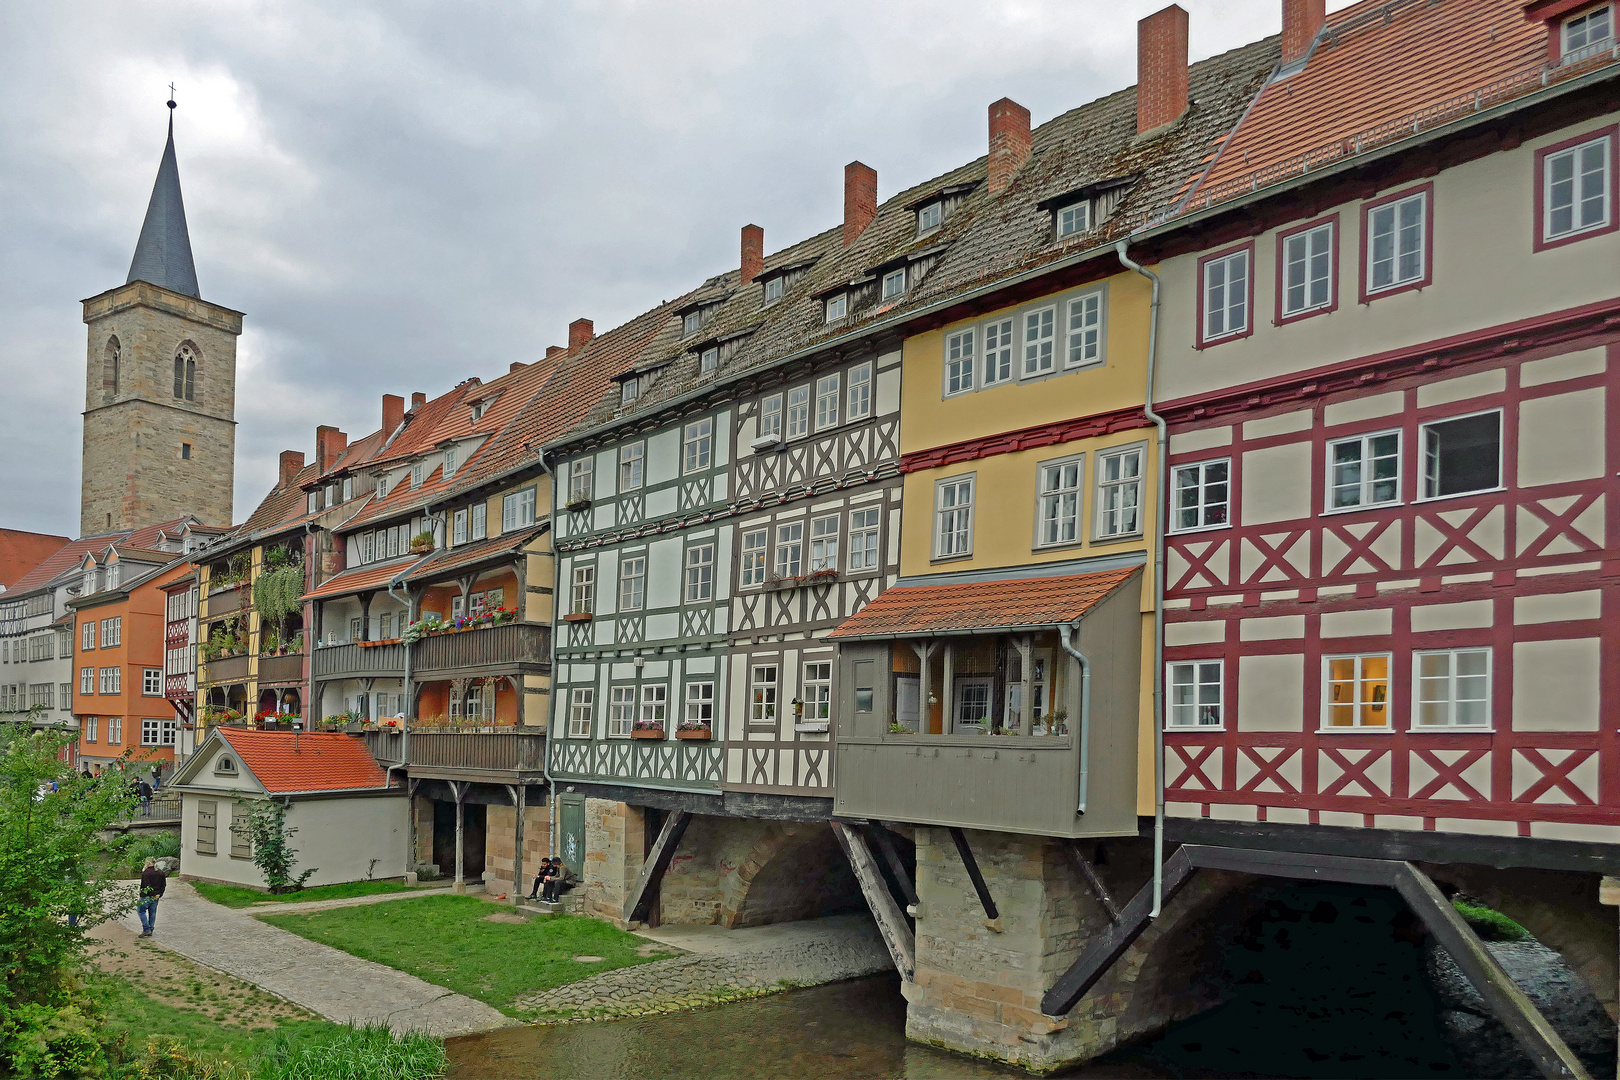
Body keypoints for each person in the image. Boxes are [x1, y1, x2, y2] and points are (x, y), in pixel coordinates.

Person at [136, 858, 166, 937]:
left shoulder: (146, 873)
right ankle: (151, 928)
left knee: (140, 910)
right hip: (156, 896)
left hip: (146, 896)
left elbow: (145, 885)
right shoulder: (160, 872)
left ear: (148, 863)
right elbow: (163, 885)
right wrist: (159, 894)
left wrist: (143, 894)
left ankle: (146, 929)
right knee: (152, 913)